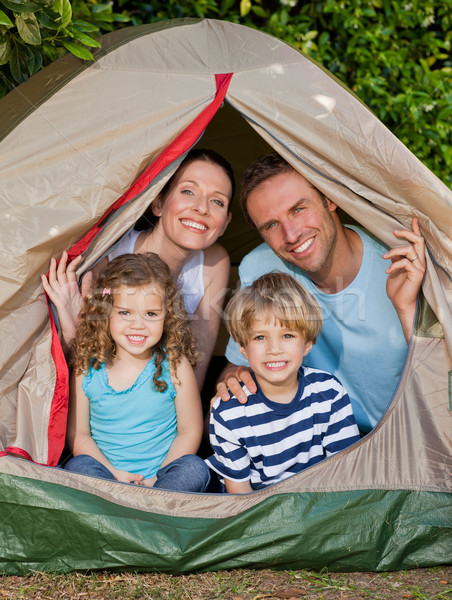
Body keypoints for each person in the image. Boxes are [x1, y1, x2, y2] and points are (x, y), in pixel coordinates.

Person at [217, 153, 426, 434]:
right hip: (314, 446)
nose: (290, 235)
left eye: (298, 209)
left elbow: (439, 382)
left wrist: (405, 308)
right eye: (271, 225)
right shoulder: (259, 268)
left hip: (404, 436)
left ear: (329, 199)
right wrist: (234, 378)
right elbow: (235, 365)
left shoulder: (399, 262)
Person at [41, 149, 234, 388]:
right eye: (188, 191)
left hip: (165, 401)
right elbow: (83, 365)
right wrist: (72, 333)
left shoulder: (214, 261)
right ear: (158, 203)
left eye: (217, 201)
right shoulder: (110, 254)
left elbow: (197, 364)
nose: (202, 208)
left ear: (225, 223)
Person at [63, 252, 210, 491]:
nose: (138, 324)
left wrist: (157, 479)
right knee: (77, 467)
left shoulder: (174, 364)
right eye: (125, 313)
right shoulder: (88, 367)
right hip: (107, 478)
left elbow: (189, 432)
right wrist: (115, 476)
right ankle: (122, 516)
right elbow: (79, 436)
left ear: (167, 315)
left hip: (162, 481)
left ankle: (155, 510)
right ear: (106, 312)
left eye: (151, 314)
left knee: (195, 468)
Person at [206, 272, 360, 493]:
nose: (274, 349)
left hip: (315, 502)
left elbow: (346, 472)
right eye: (260, 337)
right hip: (255, 507)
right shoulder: (229, 412)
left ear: (307, 344)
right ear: (243, 348)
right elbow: (239, 494)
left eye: (287, 336)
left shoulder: (329, 393)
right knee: (190, 471)